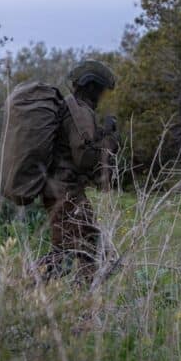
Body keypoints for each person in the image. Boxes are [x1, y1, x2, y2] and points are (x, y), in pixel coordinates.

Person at [39, 60, 118, 282]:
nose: (102, 95)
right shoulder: (80, 112)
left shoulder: (74, 108)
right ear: (92, 87)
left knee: (87, 245)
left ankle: (84, 302)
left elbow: (80, 147)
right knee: (71, 253)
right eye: (101, 90)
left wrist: (103, 133)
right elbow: (84, 157)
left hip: (63, 190)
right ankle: (17, 290)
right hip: (64, 192)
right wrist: (111, 139)